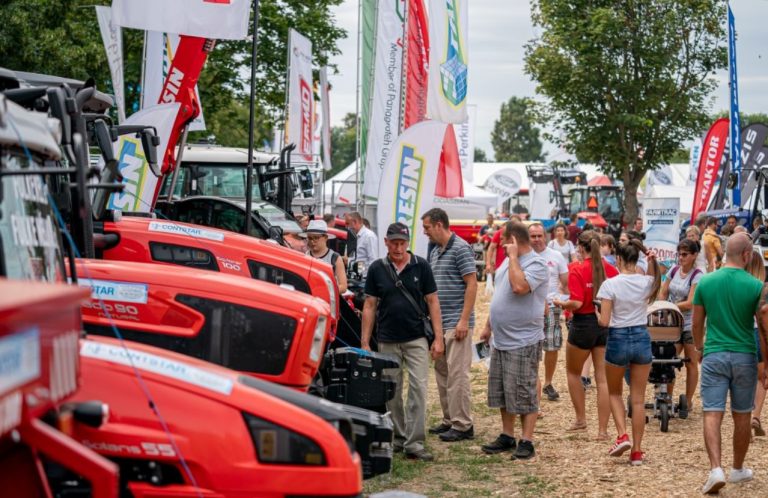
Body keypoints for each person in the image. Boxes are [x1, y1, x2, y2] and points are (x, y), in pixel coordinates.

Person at [361, 222, 444, 461]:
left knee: (418, 389)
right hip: (387, 339)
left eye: (402, 243)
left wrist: (438, 338)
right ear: (386, 242)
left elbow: (433, 301)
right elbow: (369, 305)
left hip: (416, 337)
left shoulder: (421, 266)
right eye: (394, 242)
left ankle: (414, 443)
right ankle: (398, 437)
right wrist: (365, 342)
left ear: (408, 243)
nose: (398, 247)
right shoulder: (377, 268)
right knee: (391, 392)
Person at [693, 233, 768, 493]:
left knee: (712, 412)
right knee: (742, 414)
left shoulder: (706, 282)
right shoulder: (756, 286)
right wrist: (765, 363)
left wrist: (700, 347)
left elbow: (696, 323)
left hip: (714, 352)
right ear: (747, 255)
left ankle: (716, 469)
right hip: (745, 355)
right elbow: (763, 329)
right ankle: (737, 468)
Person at [480, 222, 549, 460]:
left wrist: (512, 258)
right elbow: (501, 294)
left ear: (515, 241)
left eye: (505, 242)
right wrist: (489, 326)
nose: (501, 246)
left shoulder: (537, 264)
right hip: (501, 338)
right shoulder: (507, 262)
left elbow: (519, 286)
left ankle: (527, 440)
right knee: (502, 391)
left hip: (523, 339)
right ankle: (507, 435)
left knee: (524, 391)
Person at [597, 239, 660, 466]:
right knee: (639, 399)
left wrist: (597, 315)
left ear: (619, 259)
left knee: (614, 392)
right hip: (642, 337)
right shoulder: (647, 282)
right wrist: (652, 259)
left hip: (618, 338)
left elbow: (604, 321)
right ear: (637, 259)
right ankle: (637, 451)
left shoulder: (610, 284)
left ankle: (622, 434)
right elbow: (656, 277)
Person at [553, 231, 619, 439]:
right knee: (603, 380)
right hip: (604, 324)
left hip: (582, 324)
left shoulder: (577, 269)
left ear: (581, 248)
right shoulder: (611, 269)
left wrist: (561, 303)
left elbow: (578, 303)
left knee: (573, 373)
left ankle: (581, 419)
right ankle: (603, 430)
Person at [421, 208, 478, 442]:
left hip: (457, 323)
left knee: (458, 375)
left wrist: (463, 320)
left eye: (426, 228)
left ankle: (463, 424)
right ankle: (449, 419)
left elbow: (472, 284)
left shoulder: (461, 248)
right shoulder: (435, 252)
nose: (425, 233)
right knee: (443, 374)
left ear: (438, 225)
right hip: (440, 324)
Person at [658, 239, 703, 407]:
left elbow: (691, 302)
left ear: (694, 255)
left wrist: (669, 306)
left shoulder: (697, 275)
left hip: (690, 324)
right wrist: (662, 306)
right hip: (673, 323)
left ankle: (689, 400)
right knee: (668, 360)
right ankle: (667, 397)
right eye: (679, 254)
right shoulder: (674, 269)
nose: (681, 257)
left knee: (691, 363)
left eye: (685, 254)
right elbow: (663, 291)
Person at [530, 223, 569, 402]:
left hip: (552, 306)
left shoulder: (556, 256)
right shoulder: (525, 256)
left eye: (539, 236)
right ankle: (532, 382)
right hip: (529, 307)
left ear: (545, 236)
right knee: (531, 345)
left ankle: (548, 382)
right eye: (533, 236)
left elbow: (565, 281)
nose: (537, 239)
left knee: (552, 346)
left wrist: (561, 299)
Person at [747, 250, 768, 439]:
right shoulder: (762, 287)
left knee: (744, 378)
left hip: (741, 334)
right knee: (762, 379)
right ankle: (756, 416)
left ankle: (745, 416)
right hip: (758, 334)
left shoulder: (740, 285)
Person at [303, 219, 348, 293]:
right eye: (310, 238)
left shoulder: (335, 258)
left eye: (316, 238)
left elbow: (343, 286)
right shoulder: (305, 257)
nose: (312, 241)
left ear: (325, 238)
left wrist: (323, 292)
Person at [347, 211, 379, 277]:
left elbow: (373, 260)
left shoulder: (369, 236)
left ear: (355, 222)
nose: (347, 227)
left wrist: (369, 278)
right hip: (356, 277)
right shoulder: (355, 236)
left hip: (364, 279)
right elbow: (360, 258)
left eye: (348, 224)